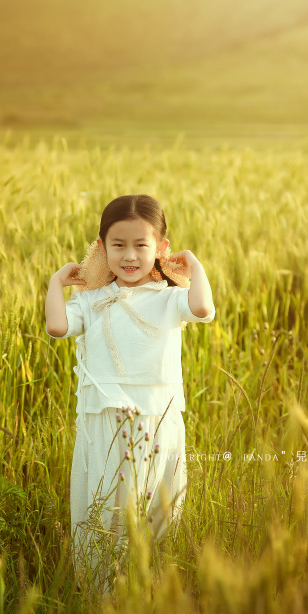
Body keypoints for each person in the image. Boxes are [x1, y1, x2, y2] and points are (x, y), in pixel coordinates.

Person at [44, 194, 216, 592]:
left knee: (158, 508)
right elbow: (56, 326)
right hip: (105, 419)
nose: (130, 256)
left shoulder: (171, 298)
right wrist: (56, 282)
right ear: (102, 247)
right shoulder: (91, 300)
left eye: (142, 245)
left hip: (158, 417)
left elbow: (203, 308)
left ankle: (150, 588)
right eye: (118, 245)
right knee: (107, 507)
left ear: (161, 249)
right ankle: (103, 596)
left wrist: (195, 267)